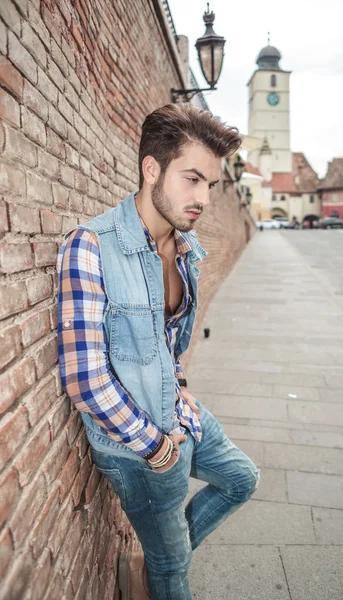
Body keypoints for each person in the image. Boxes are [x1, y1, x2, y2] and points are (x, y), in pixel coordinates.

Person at [57, 103, 260, 600]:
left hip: (177, 411)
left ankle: (162, 559)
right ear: (152, 168)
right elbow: (85, 380)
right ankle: (164, 566)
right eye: (191, 179)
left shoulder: (184, 246)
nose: (204, 199)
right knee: (174, 574)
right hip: (137, 447)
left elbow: (166, 336)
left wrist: (182, 385)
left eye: (210, 185)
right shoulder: (90, 246)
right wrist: (156, 446)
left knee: (241, 479)